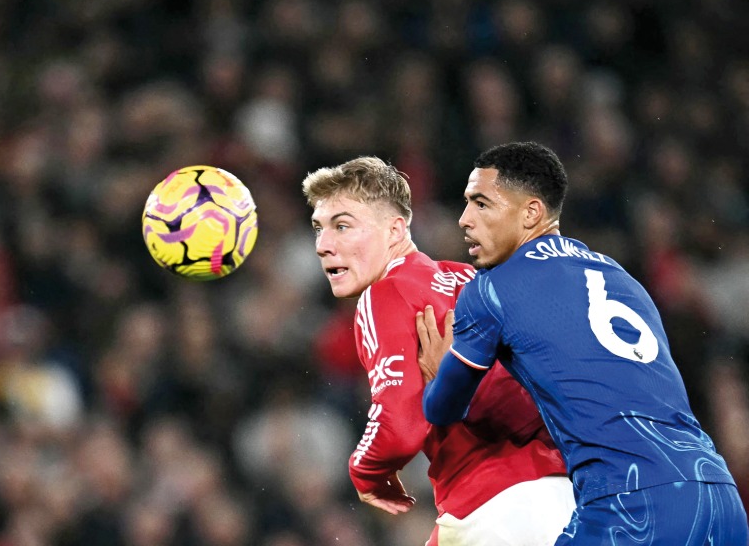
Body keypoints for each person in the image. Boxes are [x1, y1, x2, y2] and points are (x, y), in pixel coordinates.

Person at [420, 141, 748, 545]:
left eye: (482, 204)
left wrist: (439, 371)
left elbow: (443, 407)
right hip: (720, 496)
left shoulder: (492, 291)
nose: (464, 219)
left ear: (531, 213)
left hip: (631, 506)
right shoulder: (625, 280)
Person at [302, 157, 573, 546]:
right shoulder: (474, 279)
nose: (324, 246)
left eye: (342, 226)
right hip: (566, 495)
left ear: (395, 229)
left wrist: (366, 472)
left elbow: (399, 426)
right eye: (318, 229)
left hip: (494, 506)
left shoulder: (387, 293)